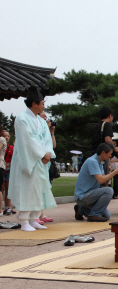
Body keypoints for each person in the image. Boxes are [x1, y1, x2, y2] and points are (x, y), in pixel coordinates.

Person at [8, 87, 57, 231]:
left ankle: (34, 218)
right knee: (27, 189)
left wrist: (47, 153)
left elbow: (46, 139)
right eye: (42, 103)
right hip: (28, 159)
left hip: (40, 160)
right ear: (34, 103)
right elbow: (26, 141)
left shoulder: (41, 121)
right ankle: (24, 221)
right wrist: (42, 154)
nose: (44, 105)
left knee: (39, 189)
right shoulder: (22, 119)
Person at [74, 143, 118, 222]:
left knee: (107, 215)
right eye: (110, 154)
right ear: (103, 152)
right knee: (109, 190)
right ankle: (94, 214)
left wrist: (112, 172)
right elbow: (101, 180)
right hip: (83, 196)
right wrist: (114, 172)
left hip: (89, 195)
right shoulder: (92, 161)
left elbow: (103, 180)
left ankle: (81, 209)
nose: (110, 156)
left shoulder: (99, 162)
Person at [91, 107, 118, 175]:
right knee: (104, 176)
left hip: (94, 153)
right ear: (110, 115)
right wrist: (114, 148)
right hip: (103, 154)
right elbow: (107, 139)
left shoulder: (96, 126)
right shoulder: (107, 124)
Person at [2, 131, 14, 215]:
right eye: (5, 136)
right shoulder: (2, 146)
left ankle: (8, 207)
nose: (7, 137)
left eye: (8, 136)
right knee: (1, 189)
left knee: (8, 189)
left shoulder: (11, 148)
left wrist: (10, 163)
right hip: (2, 169)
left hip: (9, 170)